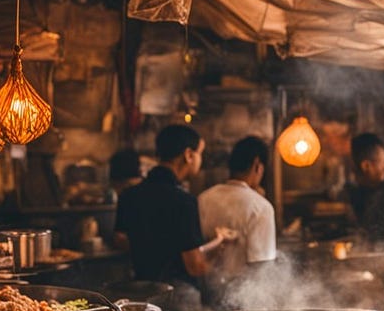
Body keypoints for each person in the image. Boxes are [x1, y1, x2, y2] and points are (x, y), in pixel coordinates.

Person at [113, 124, 233, 295]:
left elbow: (120, 239)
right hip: (177, 298)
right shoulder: (184, 201)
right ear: (188, 155)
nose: (201, 159)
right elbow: (195, 267)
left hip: (141, 293)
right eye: (200, 153)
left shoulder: (129, 195)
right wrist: (217, 258)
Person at [198, 136, 276, 287]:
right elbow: (262, 267)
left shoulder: (203, 198)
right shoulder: (261, 207)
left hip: (207, 291)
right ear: (257, 165)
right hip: (244, 298)